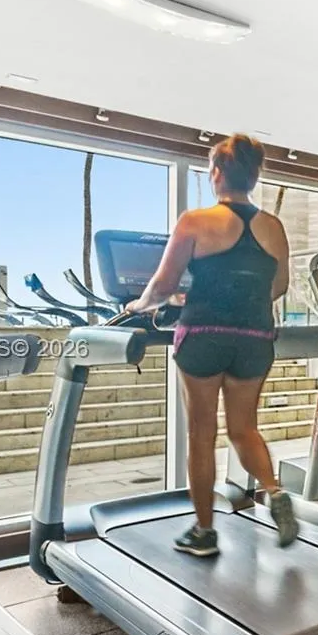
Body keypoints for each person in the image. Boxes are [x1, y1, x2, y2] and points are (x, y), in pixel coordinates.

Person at [126, 133, 298, 556]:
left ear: (217, 173)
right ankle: (275, 492)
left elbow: (162, 286)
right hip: (255, 339)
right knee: (244, 428)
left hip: (203, 335)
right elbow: (278, 287)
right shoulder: (273, 227)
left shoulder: (195, 221)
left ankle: (204, 532)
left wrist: (138, 304)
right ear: (253, 176)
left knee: (202, 433)